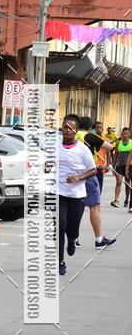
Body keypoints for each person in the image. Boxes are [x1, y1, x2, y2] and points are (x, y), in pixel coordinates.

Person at [58, 115, 97, 276]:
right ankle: (60, 262)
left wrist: (78, 178)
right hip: (58, 193)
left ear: (75, 131)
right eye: (65, 127)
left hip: (76, 195)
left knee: (72, 228)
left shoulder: (82, 149)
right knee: (60, 226)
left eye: (71, 128)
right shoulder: (54, 147)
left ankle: (73, 239)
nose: (67, 130)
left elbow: (93, 169)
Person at [77, 117, 116, 249]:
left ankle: (73, 238)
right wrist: (106, 141)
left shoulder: (72, 135)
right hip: (88, 173)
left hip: (73, 174)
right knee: (94, 205)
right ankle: (99, 239)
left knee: (76, 206)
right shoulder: (90, 136)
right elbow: (109, 147)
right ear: (90, 127)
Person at [111, 127, 132, 207]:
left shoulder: (131, 143)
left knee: (127, 184)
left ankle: (127, 200)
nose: (125, 135)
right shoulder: (118, 143)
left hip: (129, 166)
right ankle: (116, 200)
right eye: (123, 134)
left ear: (129, 134)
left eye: (127, 134)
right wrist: (113, 166)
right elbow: (115, 155)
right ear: (121, 134)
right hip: (119, 166)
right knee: (118, 182)